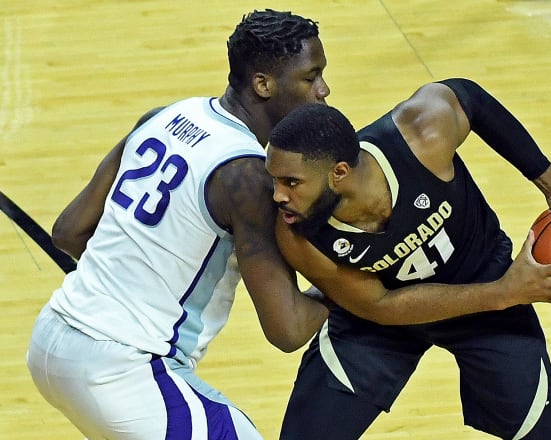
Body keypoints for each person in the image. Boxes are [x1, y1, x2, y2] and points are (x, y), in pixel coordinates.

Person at [26, 9, 331, 440]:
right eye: (310, 77)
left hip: (51, 339)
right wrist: (352, 287)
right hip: (124, 371)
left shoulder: (165, 115)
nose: (324, 90)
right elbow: (288, 329)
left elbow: (70, 231)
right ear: (263, 84)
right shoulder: (246, 176)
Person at [265, 80, 551, 439]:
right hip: (386, 318)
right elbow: (380, 305)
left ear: (339, 173)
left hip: (481, 281)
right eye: (274, 180)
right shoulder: (297, 235)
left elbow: (470, 97)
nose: (277, 196)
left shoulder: (420, 137)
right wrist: (504, 292)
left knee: (546, 435)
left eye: (291, 182)